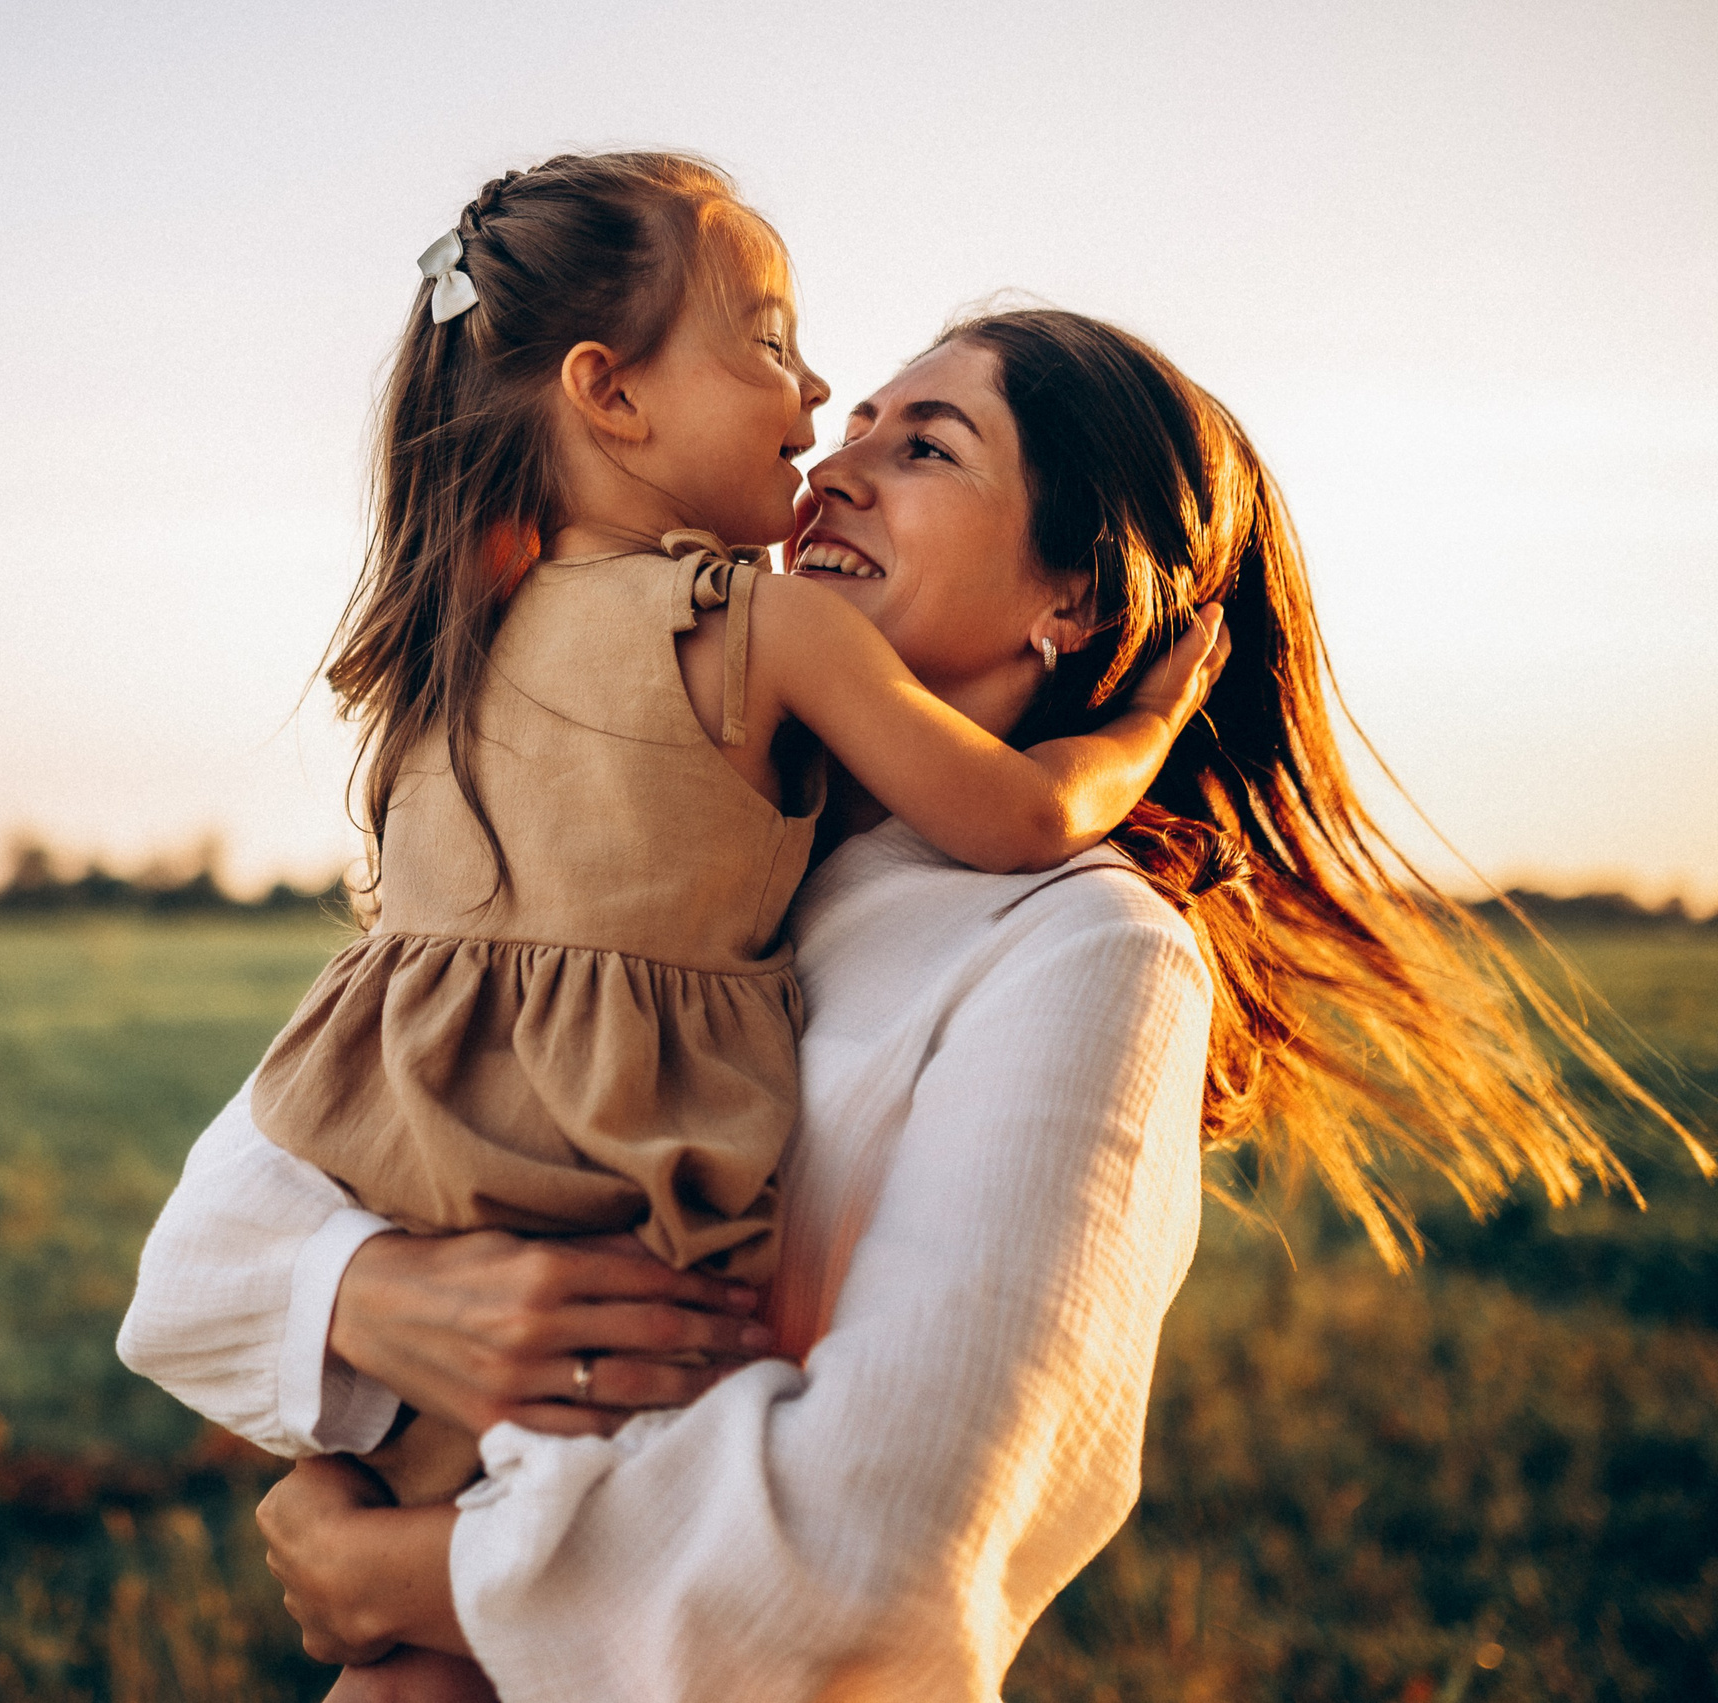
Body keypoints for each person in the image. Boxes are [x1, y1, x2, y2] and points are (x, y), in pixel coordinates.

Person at [121, 304, 1704, 1701]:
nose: (832, 471)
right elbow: (199, 1262)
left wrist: (411, 1583)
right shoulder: (679, 868)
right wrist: (374, 1300)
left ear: (1074, 599)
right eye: (851, 425)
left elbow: (879, 1554)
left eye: (927, 445)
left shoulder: (1087, 954)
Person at [239, 151, 1226, 1512]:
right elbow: (1032, 813)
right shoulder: (750, 655)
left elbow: (892, 1522)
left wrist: (381, 1540)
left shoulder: (460, 649)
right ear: (610, 391)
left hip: (448, 1378)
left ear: (1079, 592)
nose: (828, 437)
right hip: (610, 1367)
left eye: (926, 446)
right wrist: (1142, 734)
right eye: (780, 350)